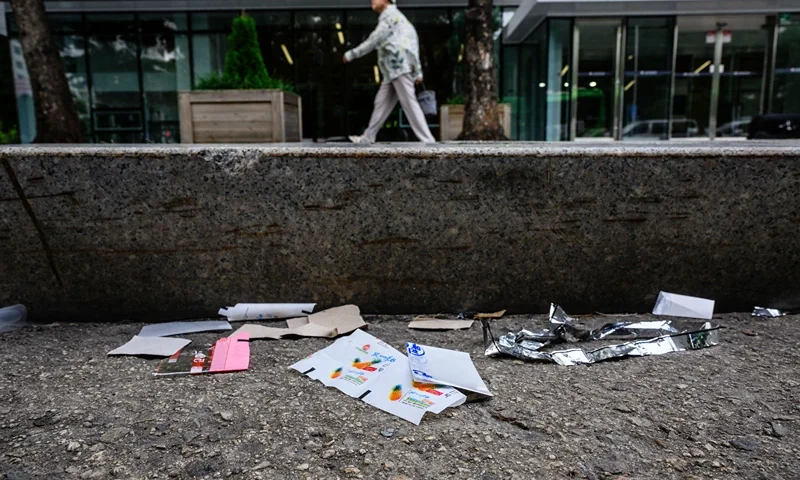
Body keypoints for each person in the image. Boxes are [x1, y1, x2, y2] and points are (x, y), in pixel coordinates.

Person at [343, 0, 436, 144]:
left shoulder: (390, 17)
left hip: (398, 67)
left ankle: (428, 141)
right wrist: (417, 71)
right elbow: (413, 42)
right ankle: (368, 137)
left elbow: (374, 40)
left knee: (409, 104)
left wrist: (352, 54)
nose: (372, 1)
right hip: (392, 71)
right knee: (381, 103)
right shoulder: (399, 18)